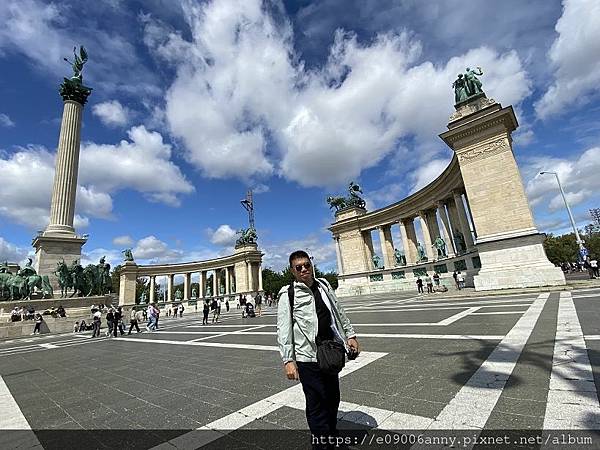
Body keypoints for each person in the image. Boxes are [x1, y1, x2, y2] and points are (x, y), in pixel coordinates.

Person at [277, 250, 359, 449]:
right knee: (316, 402)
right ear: (292, 271)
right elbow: (284, 329)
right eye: (299, 267)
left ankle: (332, 433)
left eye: (307, 264)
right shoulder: (288, 294)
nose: (304, 269)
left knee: (333, 397)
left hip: (330, 352)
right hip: (307, 357)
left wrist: (351, 335)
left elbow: (338, 311)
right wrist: (288, 360)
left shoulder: (324, 284)